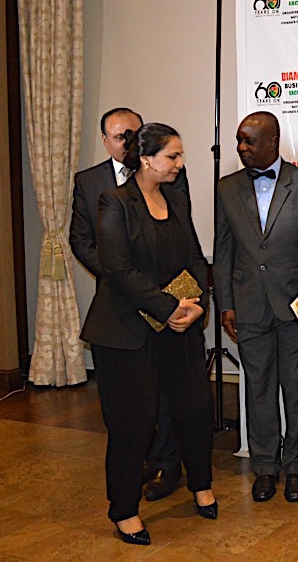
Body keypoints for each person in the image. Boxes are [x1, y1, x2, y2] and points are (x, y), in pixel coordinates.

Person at [79, 123, 216, 546]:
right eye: (172, 156)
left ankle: (201, 485)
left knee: (195, 409)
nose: (179, 164)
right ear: (145, 159)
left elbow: (195, 258)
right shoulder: (114, 202)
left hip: (179, 328)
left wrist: (197, 304)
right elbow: (118, 270)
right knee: (133, 424)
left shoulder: (176, 199)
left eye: (180, 155)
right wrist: (168, 308)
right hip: (126, 333)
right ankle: (124, 510)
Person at [214, 111, 298, 503]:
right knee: (259, 390)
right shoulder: (227, 188)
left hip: (297, 307)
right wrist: (225, 303)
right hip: (248, 306)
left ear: (272, 142)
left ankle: (297, 468)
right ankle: (265, 467)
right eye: (239, 140)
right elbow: (223, 250)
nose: (241, 148)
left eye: (249, 141)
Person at [70, 107, 188, 502]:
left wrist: (167, 297)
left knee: (168, 398)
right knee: (127, 413)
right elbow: (82, 241)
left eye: (135, 134)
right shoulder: (92, 184)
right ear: (106, 141)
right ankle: (130, 478)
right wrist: (119, 276)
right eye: (121, 136)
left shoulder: (173, 177)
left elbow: (181, 240)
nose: (128, 142)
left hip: (163, 306)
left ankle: (167, 464)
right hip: (120, 309)